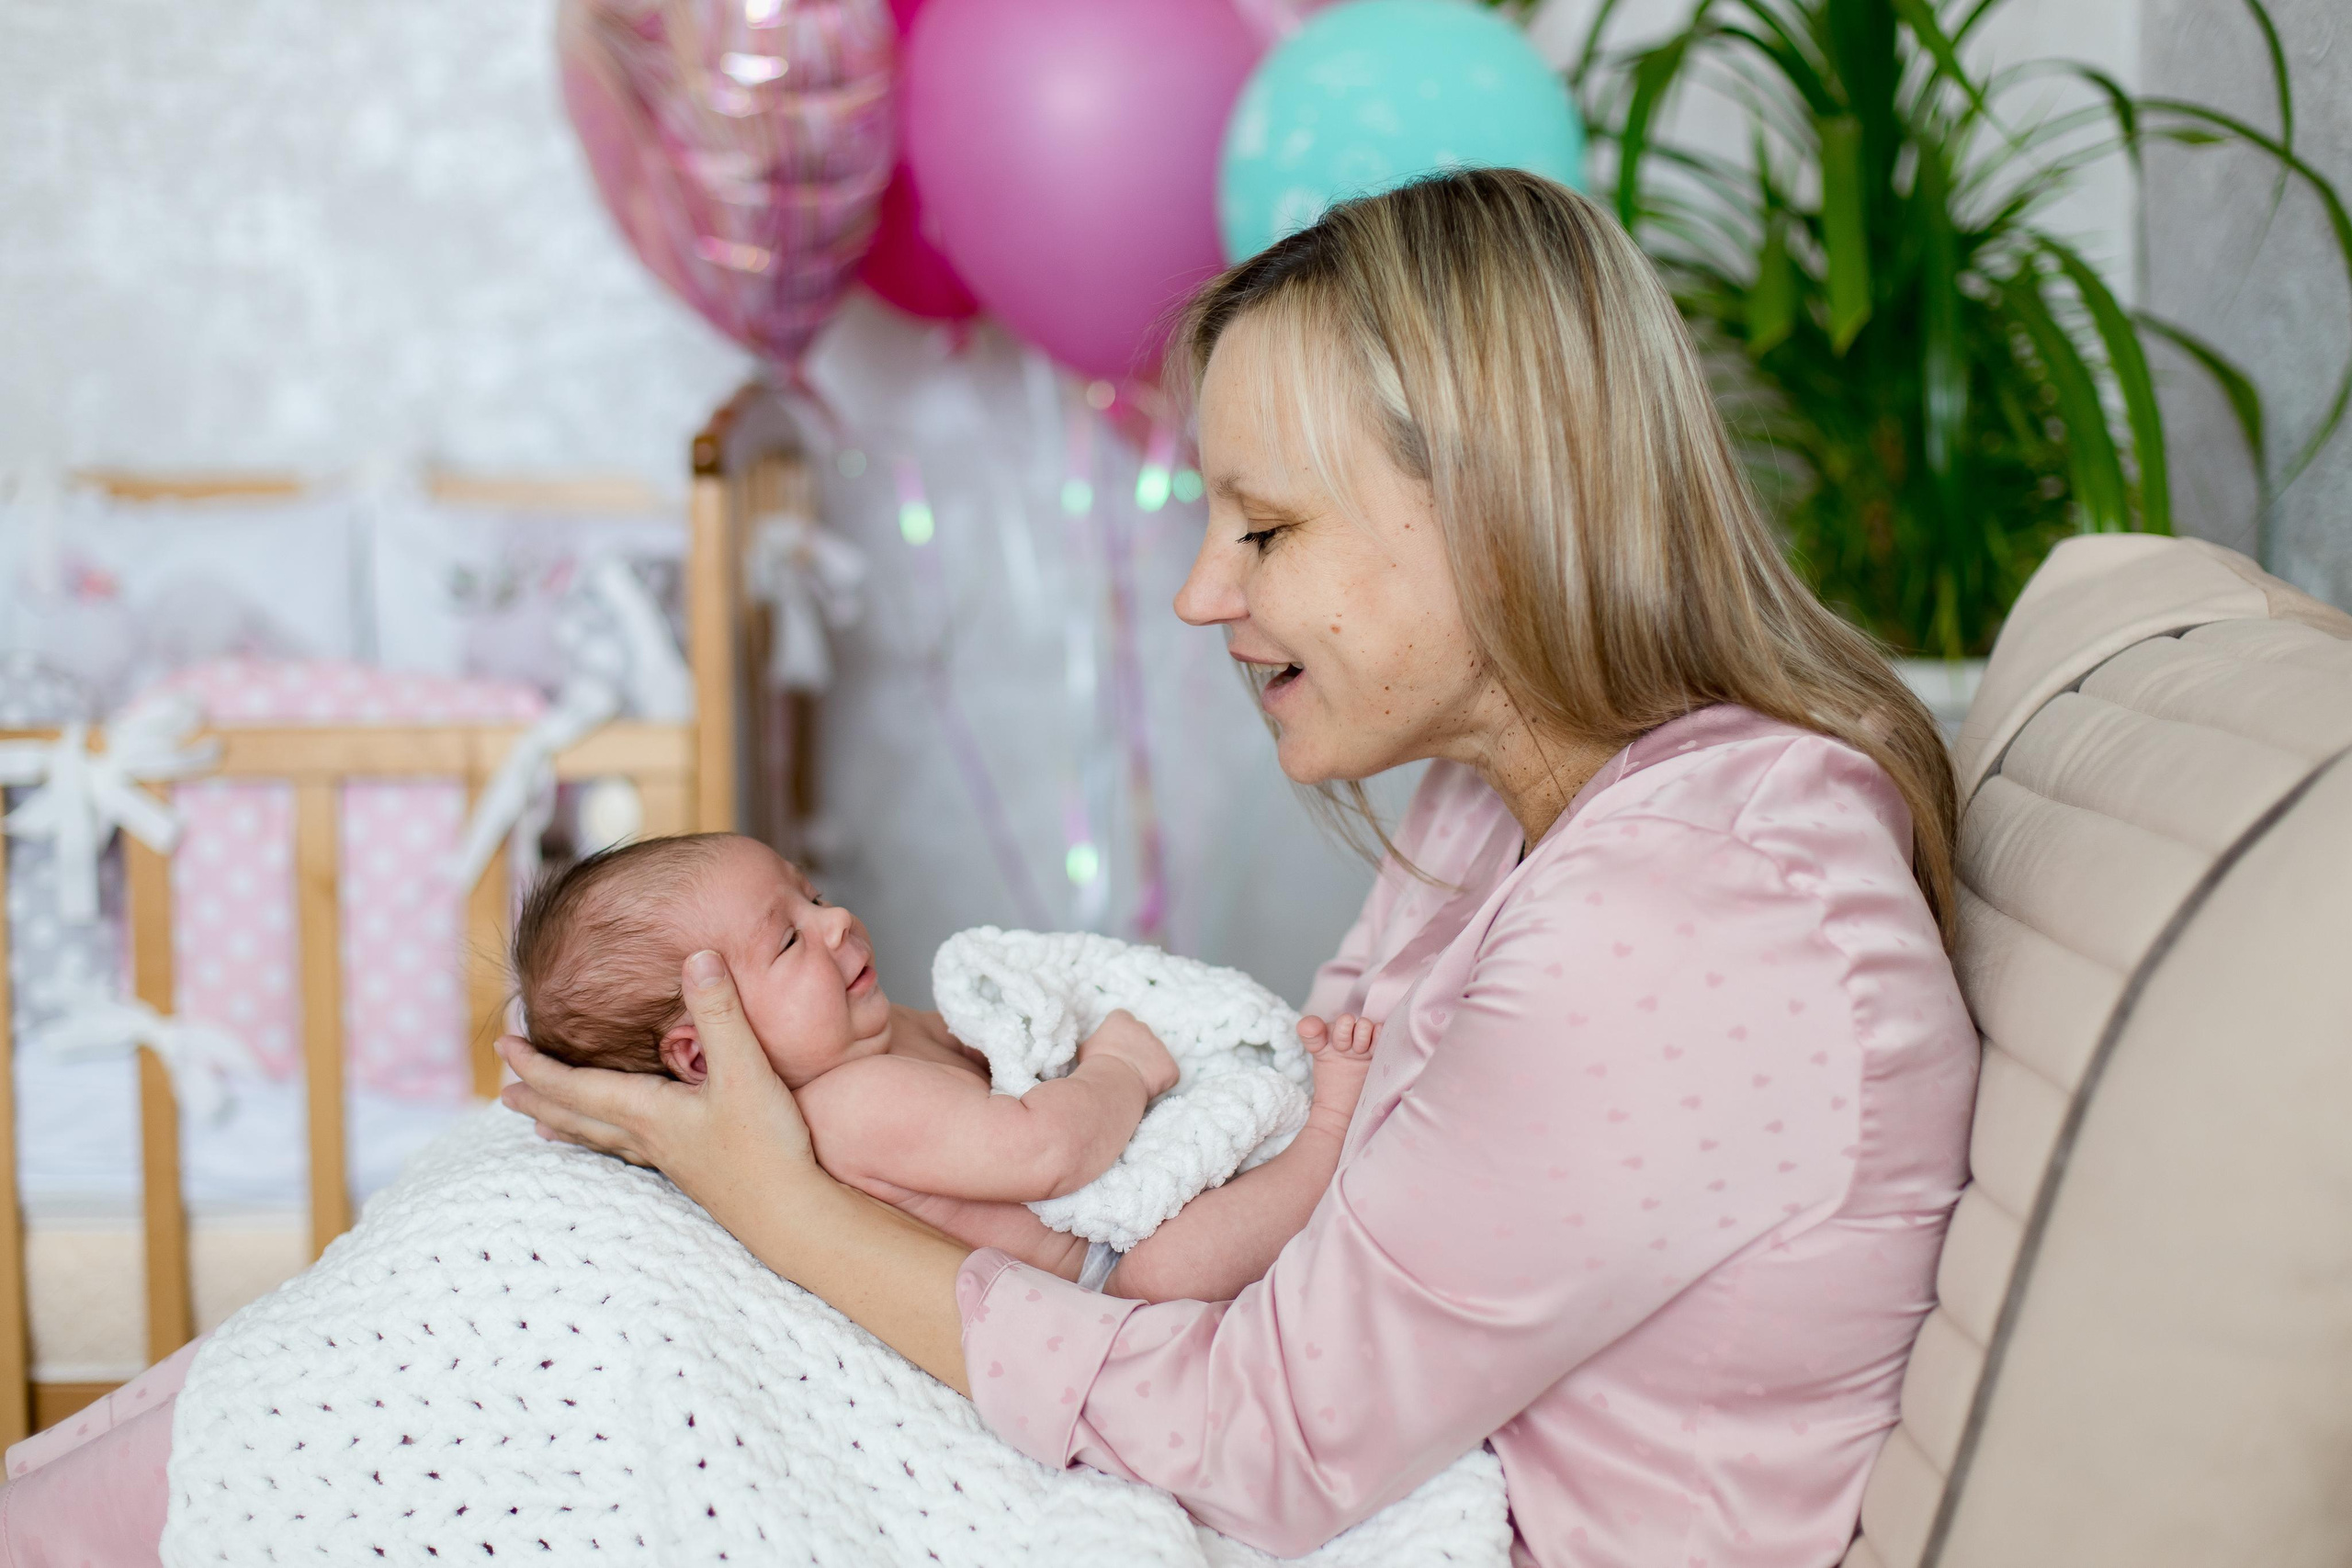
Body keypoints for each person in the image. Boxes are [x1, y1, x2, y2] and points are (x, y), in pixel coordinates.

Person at [0, 170, 1973, 1568]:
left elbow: (1272, 1444)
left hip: (1412, 1517)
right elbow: (1307, 1178)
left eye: (1264, 529)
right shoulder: (1519, 813)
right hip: (1319, 1435)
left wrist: (788, 1200)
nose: (1206, 591)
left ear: (1501, 517)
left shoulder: (1677, 927)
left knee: (546, 1281)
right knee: (529, 1224)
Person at [509, 830, 1380, 1300]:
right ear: (703, 1046)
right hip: (1109, 1256)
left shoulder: (875, 1044)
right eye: (787, 937)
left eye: (811, 895)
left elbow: (1009, 1065)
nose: (836, 919)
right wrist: (1118, 1063)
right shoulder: (849, 1105)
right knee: (1169, 1276)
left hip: (1136, 1166)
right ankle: (1329, 1142)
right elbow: (1044, 1149)